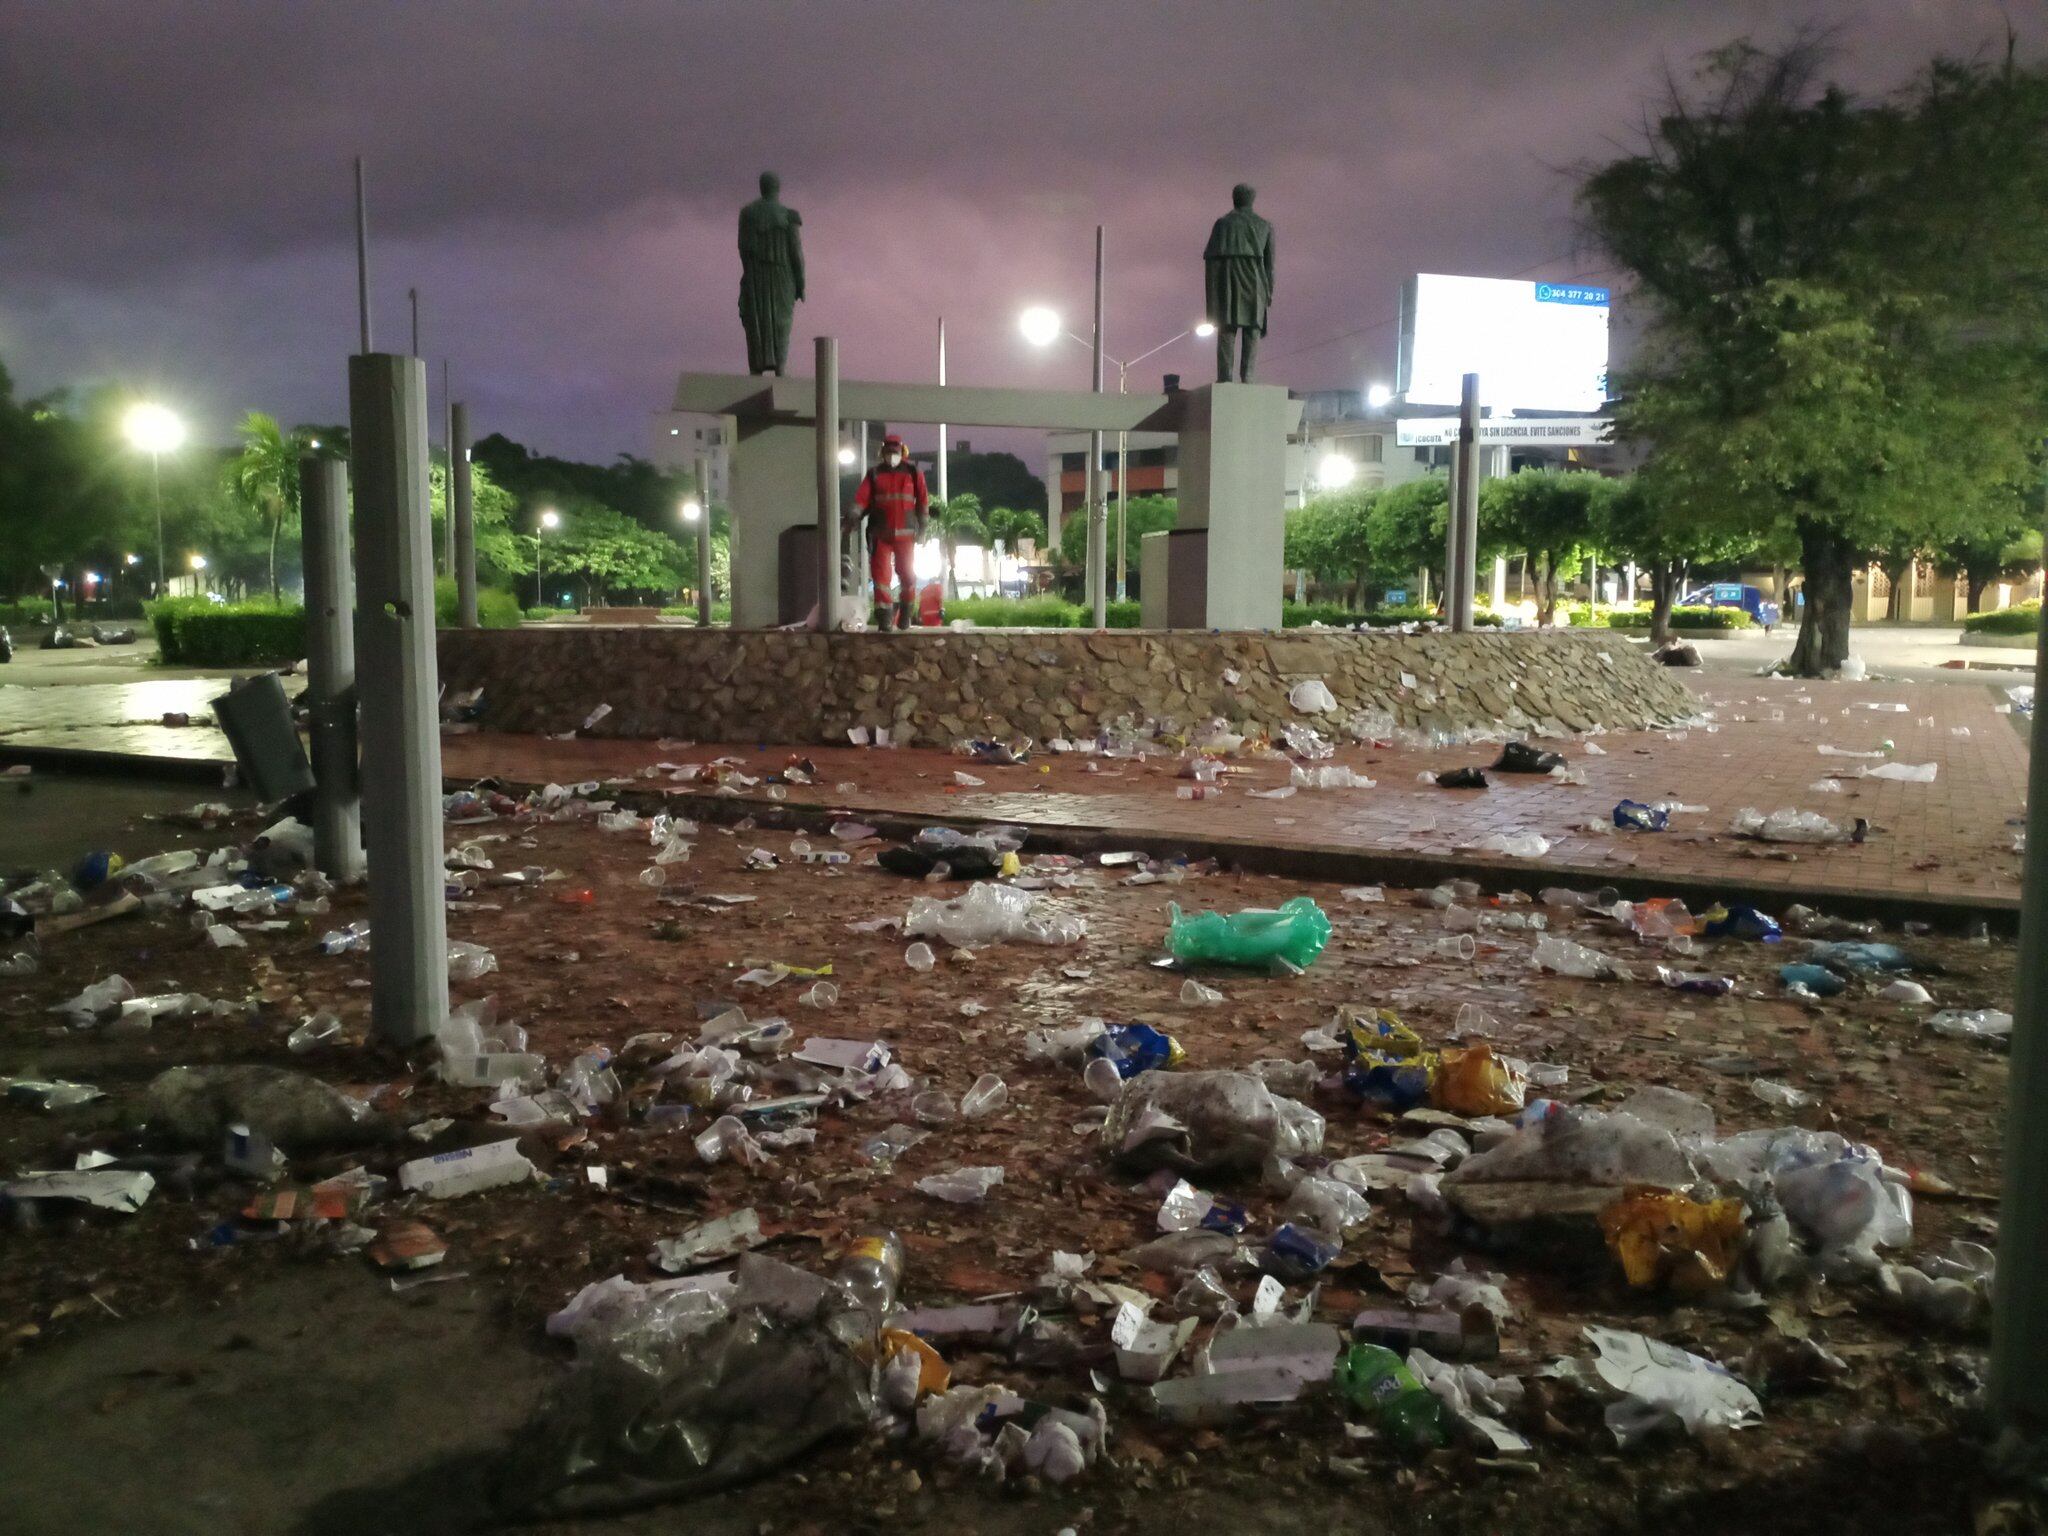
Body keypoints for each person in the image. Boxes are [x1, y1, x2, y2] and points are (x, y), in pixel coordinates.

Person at [854, 435, 929, 631]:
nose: (891, 455)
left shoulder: (914, 473)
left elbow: (923, 501)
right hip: (880, 534)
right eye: (888, 452)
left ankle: (906, 614)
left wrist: (923, 528)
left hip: (905, 535)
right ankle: (885, 619)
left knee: (908, 576)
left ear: (902, 452)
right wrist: (853, 515)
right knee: (881, 579)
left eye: (894, 452)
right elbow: (862, 498)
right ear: (882, 453)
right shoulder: (874, 474)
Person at [1203, 183, 1276, 383]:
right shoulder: (1265, 226)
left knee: (1227, 329)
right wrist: (1269, 291)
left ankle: (1225, 377)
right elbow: (1270, 266)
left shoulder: (1222, 224)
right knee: (1252, 330)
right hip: (1256, 285)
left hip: (1228, 284)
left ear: (1234, 199)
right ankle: (1248, 377)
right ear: (1252, 200)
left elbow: (1211, 262)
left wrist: (1213, 296)